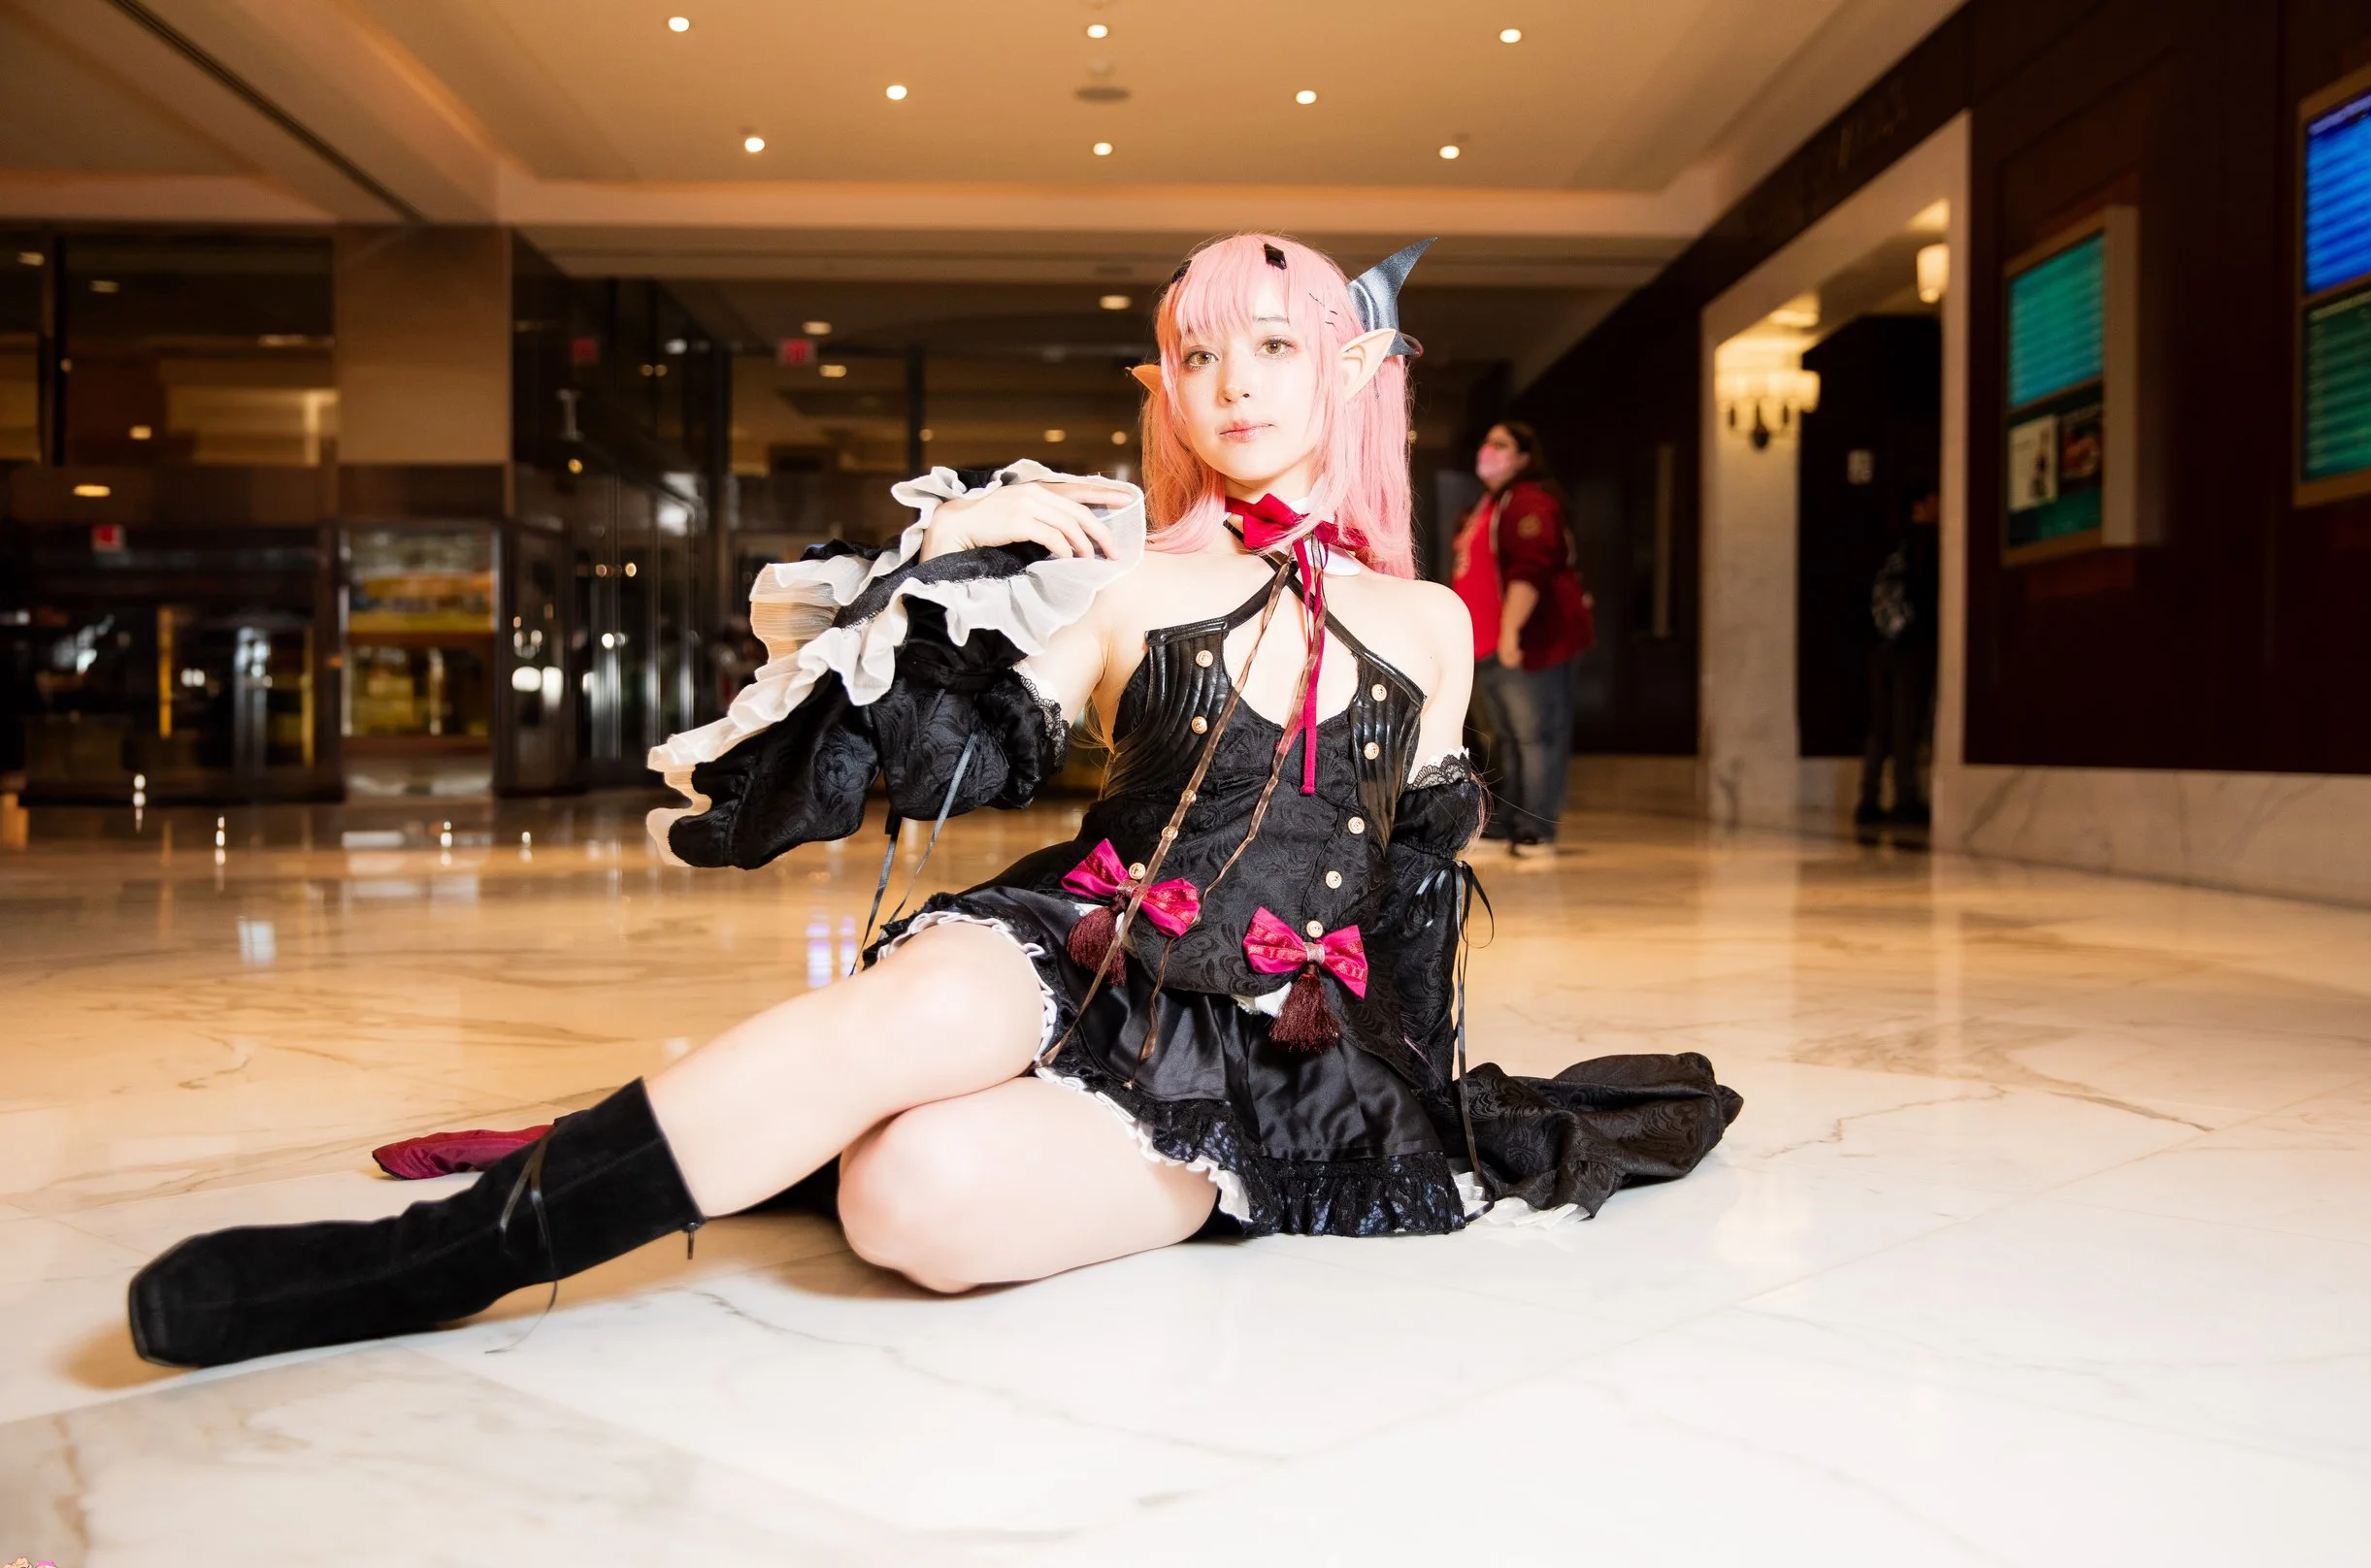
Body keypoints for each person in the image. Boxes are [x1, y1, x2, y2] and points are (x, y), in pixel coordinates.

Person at [124, 235, 1739, 1370]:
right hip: (1078, 933)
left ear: (1355, 368)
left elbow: (1412, 902)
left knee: (909, 1197)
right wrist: (948, 570)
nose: (1234, 385)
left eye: (1272, 347)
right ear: (1166, 386)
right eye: (1199, 355)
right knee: (913, 1008)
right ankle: (430, 1264)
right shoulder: (1116, 576)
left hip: (1271, 1052)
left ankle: (822, 1142)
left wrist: (1403, 1111)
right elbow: (941, 738)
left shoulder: (1432, 622)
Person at [1450, 421, 1593, 858]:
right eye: (1486, 442)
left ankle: (1536, 829)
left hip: (1526, 642)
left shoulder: (1530, 501)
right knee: (1508, 739)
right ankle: (1509, 824)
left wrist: (1511, 633)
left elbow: (1531, 570)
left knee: (1535, 737)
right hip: (1488, 643)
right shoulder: (1491, 503)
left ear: (1524, 457)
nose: (1487, 450)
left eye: (1501, 444)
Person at [1855, 488, 1940, 834]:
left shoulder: (1889, 547)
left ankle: (1869, 800)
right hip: (1911, 647)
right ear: (1921, 506)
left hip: (1881, 647)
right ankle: (1906, 800)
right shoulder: (1927, 544)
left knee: (1881, 725)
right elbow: (1928, 596)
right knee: (1905, 724)